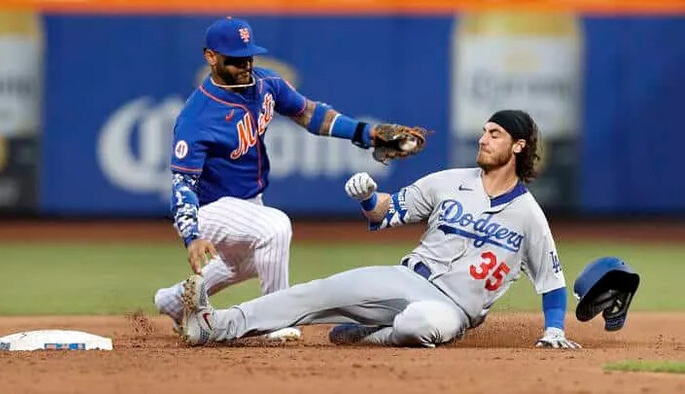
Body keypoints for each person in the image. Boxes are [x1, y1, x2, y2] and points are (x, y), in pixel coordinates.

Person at [177, 109, 581, 349]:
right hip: (405, 278)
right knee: (316, 291)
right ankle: (213, 325)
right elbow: (388, 214)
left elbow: (552, 280)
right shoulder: (448, 181)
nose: (483, 138)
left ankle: (373, 335)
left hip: (452, 310)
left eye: (495, 134)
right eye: (483, 131)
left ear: (519, 146)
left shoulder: (529, 215)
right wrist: (369, 198)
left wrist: (554, 330)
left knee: (418, 324)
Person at [153, 16, 426, 340]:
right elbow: (183, 184)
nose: (245, 65)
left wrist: (364, 133)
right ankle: (275, 322)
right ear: (211, 57)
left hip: (247, 203)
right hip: (208, 209)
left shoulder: (265, 84)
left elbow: (309, 113)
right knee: (275, 227)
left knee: (248, 262)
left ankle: (172, 301)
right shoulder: (196, 117)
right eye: (235, 59)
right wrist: (192, 235)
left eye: (249, 56)